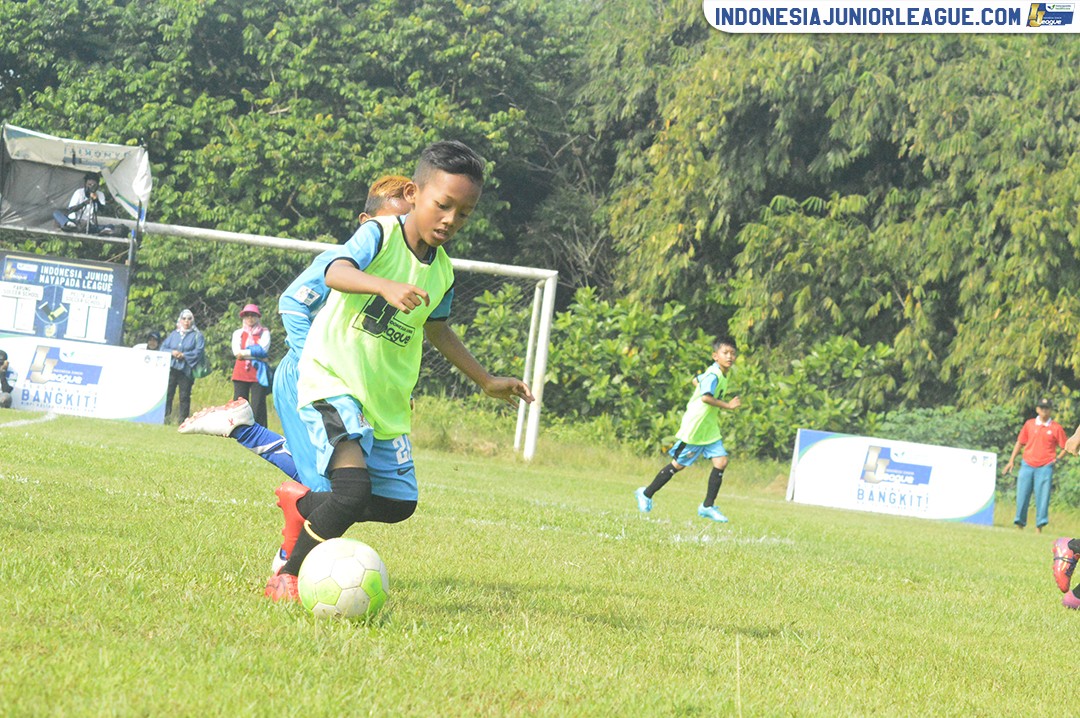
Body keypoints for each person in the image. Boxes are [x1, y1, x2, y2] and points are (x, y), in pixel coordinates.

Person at [262, 141, 533, 602]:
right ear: (415, 192)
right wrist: (382, 285)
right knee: (351, 490)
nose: (450, 220)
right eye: (442, 205)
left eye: (463, 213)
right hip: (332, 381)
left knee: (397, 504)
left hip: (383, 401)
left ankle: (301, 505)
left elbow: (438, 329)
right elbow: (334, 270)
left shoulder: (442, 270)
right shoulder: (380, 235)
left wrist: (485, 379)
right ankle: (287, 575)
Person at [178, 175, 412, 574]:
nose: (400, 227)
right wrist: (314, 361)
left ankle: (244, 429)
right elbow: (291, 302)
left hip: (363, 389)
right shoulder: (343, 258)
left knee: (376, 494)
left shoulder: (410, 262)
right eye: (392, 216)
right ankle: (293, 564)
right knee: (335, 487)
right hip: (313, 379)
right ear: (365, 221)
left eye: (407, 218)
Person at [634, 336, 742, 523]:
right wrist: (728, 405)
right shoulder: (714, 374)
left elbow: (695, 381)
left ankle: (707, 506)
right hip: (695, 427)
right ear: (715, 356)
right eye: (725, 353)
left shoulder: (718, 373)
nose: (730, 357)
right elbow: (706, 397)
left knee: (721, 461)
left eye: (733, 353)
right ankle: (646, 493)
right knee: (678, 465)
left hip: (709, 429)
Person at [1002, 397, 1067, 534]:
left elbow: (1065, 447)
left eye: (1047, 408)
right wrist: (1011, 460)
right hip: (1027, 464)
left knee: (1043, 497)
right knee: (1022, 495)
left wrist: (1057, 459)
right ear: (1037, 409)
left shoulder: (1056, 428)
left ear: (1050, 410)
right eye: (1042, 408)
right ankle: (1019, 524)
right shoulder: (1029, 424)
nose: (1044, 411)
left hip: (1045, 466)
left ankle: (1039, 527)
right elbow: (1020, 442)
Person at [159, 309, 205, 423]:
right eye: (184, 319)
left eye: (189, 319)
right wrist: (172, 352)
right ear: (180, 320)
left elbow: (199, 351)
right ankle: (165, 417)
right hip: (172, 368)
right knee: (168, 394)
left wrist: (184, 355)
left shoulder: (197, 335)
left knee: (184, 396)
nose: (186, 321)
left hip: (186, 370)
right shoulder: (174, 334)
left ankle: (183, 420)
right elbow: (163, 348)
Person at [230, 304, 271, 426]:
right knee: (239, 402)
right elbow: (236, 353)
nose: (250, 318)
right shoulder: (238, 333)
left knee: (258, 403)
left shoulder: (264, 332)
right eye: (247, 315)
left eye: (253, 315)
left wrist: (245, 353)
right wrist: (255, 353)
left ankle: (259, 429)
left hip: (258, 373)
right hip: (240, 372)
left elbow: (263, 350)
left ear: (258, 317)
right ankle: (238, 428)